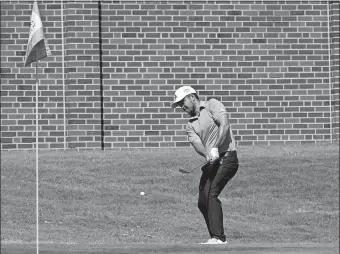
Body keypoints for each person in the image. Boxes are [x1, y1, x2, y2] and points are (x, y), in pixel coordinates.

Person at [171, 86, 239, 245]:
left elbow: (225, 125)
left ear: (192, 97)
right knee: (203, 199)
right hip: (213, 161)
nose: (181, 107)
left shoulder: (212, 105)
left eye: (182, 102)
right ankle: (215, 237)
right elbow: (197, 144)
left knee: (211, 193)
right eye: (179, 104)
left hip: (227, 158)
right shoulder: (190, 124)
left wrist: (215, 147)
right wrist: (207, 154)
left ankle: (219, 239)